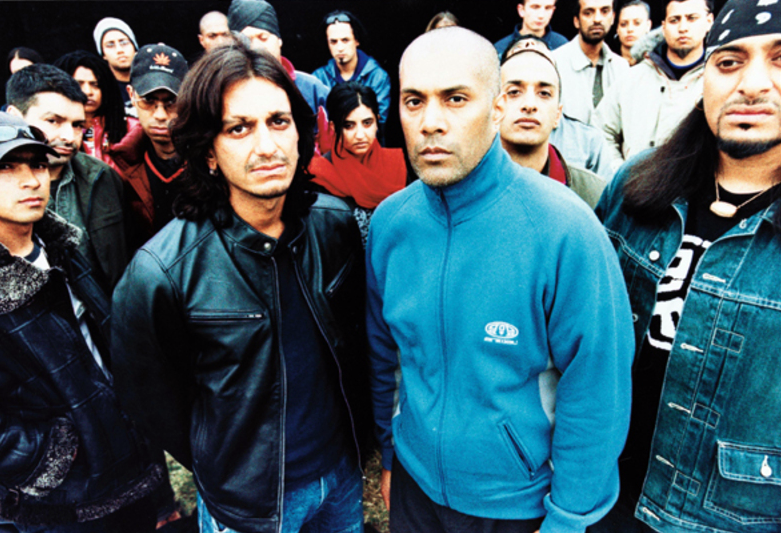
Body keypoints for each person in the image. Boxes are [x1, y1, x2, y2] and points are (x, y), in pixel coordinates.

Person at [368, 26, 634, 533]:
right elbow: (387, 356)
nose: (431, 122)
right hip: (414, 490)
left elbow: (597, 391)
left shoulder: (565, 229)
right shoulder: (390, 225)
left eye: (455, 99)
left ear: (496, 109)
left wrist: (569, 520)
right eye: (414, 101)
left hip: (518, 507)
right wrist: (391, 453)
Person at [110, 42, 371, 533]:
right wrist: (223, 466)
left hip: (339, 475)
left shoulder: (335, 225)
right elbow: (151, 400)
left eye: (278, 121)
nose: (267, 146)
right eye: (239, 128)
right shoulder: (161, 272)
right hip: (248, 504)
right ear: (208, 150)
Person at [590, 0, 781, 531]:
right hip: (602, 496)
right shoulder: (637, 185)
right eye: (729, 62)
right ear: (704, 78)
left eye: (780, 59)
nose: (752, 84)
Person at [0, 111, 162, 533]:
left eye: (38, 164)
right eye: (6, 167)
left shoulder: (63, 248)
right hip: (60, 505)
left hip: (130, 473)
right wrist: (51, 455)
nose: (31, 180)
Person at [6, 64, 130, 291]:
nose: (69, 137)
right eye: (53, 121)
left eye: (77, 125)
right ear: (14, 116)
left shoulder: (103, 177)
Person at [593, 0, 713, 170]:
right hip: (635, 183)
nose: (683, 28)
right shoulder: (632, 78)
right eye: (674, 20)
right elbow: (600, 130)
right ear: (663, 27)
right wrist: (619, 172)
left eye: (692, 18)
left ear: (709, 21)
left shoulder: (717, 81)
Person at [499, 39, 606, 207]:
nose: (529, 105)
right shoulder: (464, 187)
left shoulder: (593, 194)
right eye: (514, 92)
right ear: (494, 108)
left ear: (558, 114)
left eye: (544, 93)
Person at [308, 81, 407, 246]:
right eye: (349, 126)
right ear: (333, 127)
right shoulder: (319, 175)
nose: (360, 135)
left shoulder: (398, 166)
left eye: (367, 123)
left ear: (377, 122)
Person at [228, 0, 332, 152]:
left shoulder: (312, 89)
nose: (256, 47)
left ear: (279, 40)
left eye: (263, 37)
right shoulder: (225, 94)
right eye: (247, 40)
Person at [110, 43, 187, 245]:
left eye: (172, 102)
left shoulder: (212, 159)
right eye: (148, 100)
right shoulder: (120, 167)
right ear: (131, 95)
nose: (160, 115)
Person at [313, 10, 392, 140]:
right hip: (331, 149)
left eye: (345, 40)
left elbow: (378, 124)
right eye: (333, 42)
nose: (340, 48)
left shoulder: (377, 77)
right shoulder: (318, 78)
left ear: (356, 40)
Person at [53, 51, 135, 170]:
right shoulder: (50, 130)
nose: (88, 92)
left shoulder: (132, 128)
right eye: (78, 84)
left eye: (95, 85)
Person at [553, 0, 629, 123]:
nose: (597, 19)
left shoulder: (621, 67)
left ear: (613, 17)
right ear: (576, 20)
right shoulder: (555, 63)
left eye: (605, 11)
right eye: (588, 13)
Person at [93, 17, 138, 118]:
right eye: (110, 45)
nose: (119, 50)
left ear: (134, 47)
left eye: (124, 43)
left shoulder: (151, 78)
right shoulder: (102, 90)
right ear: (103, 54)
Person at [494, 0, 568, 57]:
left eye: (548, 8)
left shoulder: (561, 45)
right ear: (521, 10)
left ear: (553, 11)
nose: (541, 15)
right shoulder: (501, 48)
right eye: (535, 7)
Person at [615, 1, 652, 65]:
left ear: (648, 25)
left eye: (637, 23)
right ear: (617, 29)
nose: (630, 29)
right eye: (623, 24)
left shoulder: (658, 65)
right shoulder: (608, 65)